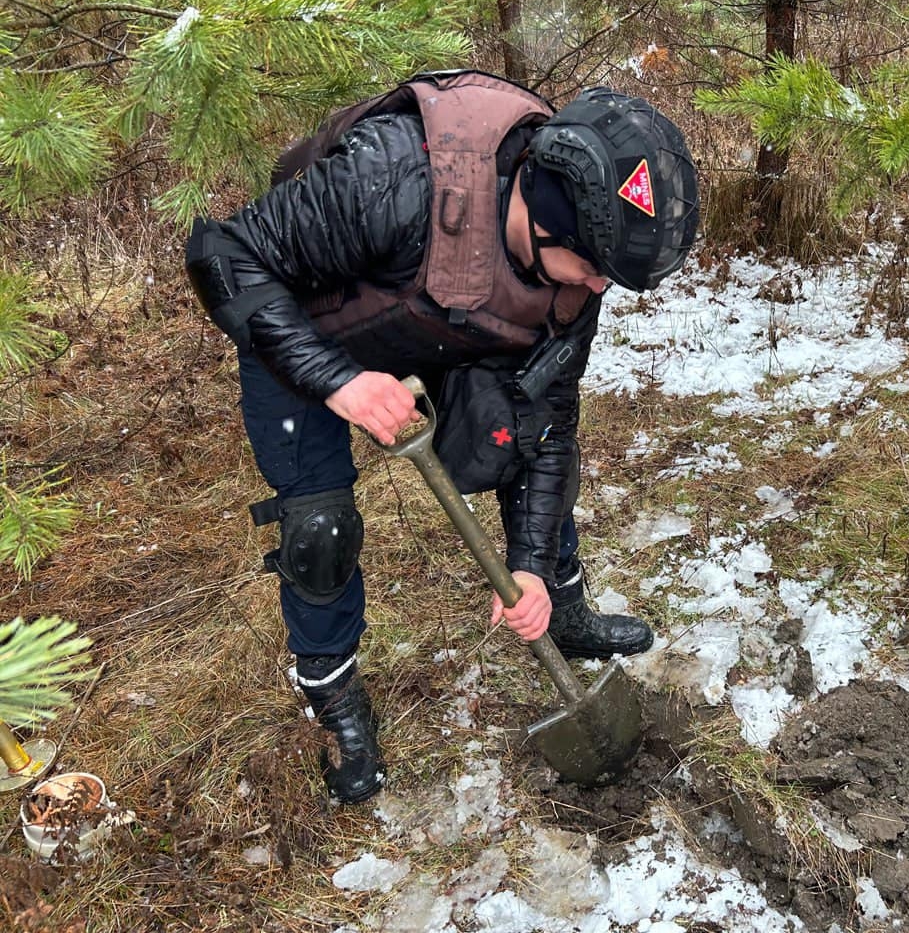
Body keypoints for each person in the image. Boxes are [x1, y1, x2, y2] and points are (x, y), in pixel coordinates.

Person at [185, 70, 699, 805]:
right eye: (591, 267)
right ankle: (331, 695)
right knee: (320, 530)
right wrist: (339, 381)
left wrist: (526, 566)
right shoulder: (394, 177)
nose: (595, 290)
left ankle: (566, 605)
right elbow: (224, 257)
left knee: (528, 441)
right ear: (545, 211)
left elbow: (549, 422)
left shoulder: (574, 275)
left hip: (449, 322)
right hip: (305, 329)